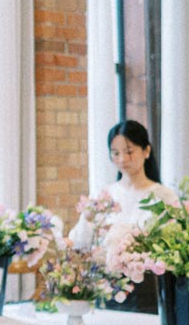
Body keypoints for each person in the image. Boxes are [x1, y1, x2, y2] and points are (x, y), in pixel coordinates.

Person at [71, 121, 176, 313]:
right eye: (115, 153)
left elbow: (172, 243)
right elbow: (80, 243)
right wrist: (87, 218)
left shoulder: (163, 196)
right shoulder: (105, 194)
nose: (122, 159)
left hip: (147, 285)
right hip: (107, 284)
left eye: (129, 151)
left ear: (146, 151)